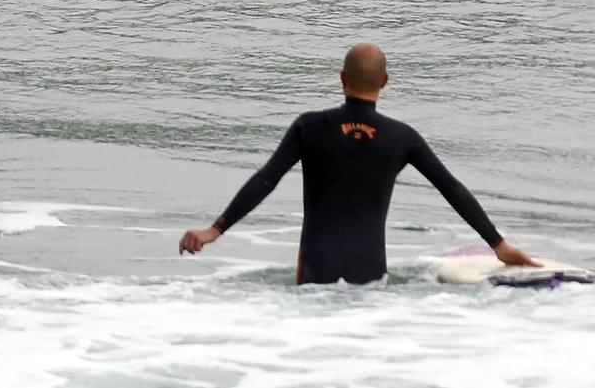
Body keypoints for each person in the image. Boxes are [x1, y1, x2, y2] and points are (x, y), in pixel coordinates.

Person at [178, 43, 539, 284]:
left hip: (317, 269)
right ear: (385, 82)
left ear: (342, 79)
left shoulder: (310, 126)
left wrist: (215, 230)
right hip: (370, 274)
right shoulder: (403, 138)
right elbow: (452, 189)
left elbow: (265, 180)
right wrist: (498, 244)